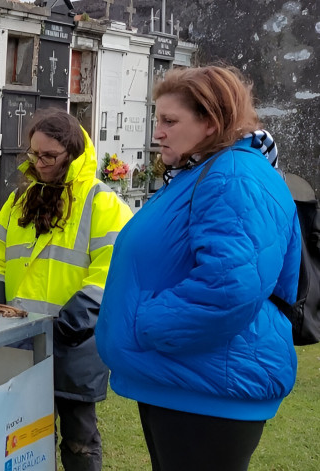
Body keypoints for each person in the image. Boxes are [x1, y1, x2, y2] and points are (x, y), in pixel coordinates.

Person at [96, 66, 300, 471]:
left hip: (207, 387)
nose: (158, 133)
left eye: (170, 121)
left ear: (211, 121)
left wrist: (146, 322)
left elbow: (231, 286)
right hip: (183, 377)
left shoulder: (233, 175)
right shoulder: (204, 172)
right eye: (158, 120)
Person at [0, 108, 132, 471]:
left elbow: (113, 268)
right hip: (19, 337)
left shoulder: (102, 202)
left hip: (74, 339)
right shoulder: (20, 200)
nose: (40, 163)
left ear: (72, 154)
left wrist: (75, 320)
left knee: (79, 439)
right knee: (20, 436)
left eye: (49, 156)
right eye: (34, 154)